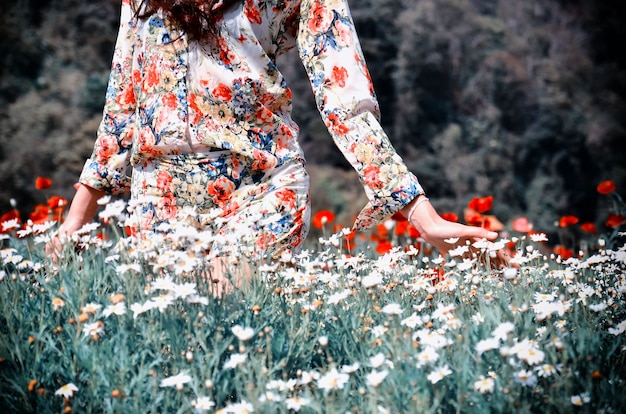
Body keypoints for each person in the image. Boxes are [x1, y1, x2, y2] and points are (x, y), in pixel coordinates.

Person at [50, 0, 500, 279]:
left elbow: (347, 102)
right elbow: (122, 105)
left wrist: (422, 216)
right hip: (159, 202)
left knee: (225, 325)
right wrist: (76, 219)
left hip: (260, 191)